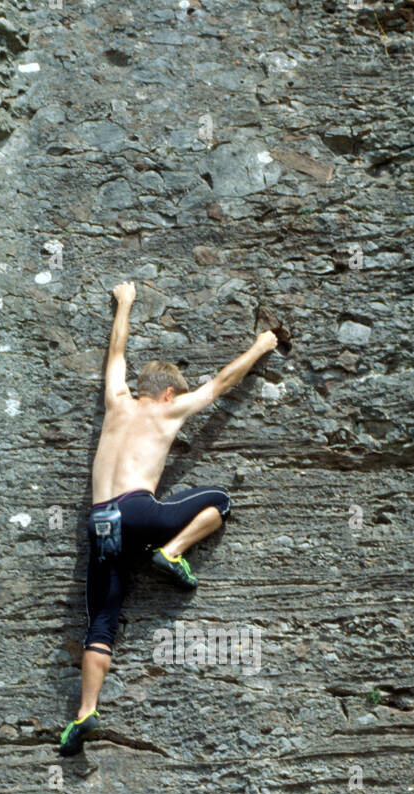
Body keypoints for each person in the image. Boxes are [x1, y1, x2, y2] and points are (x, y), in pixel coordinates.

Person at [60, 280, 278, 754]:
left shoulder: (117, 402)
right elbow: (221, 384)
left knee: (101, 622)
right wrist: (261, 344)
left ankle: (84, 712)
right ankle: (173, 552)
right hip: (140, 512)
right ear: (166, 394)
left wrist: (125, 303)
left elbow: (115, 356)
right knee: (219, 500)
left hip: (100, 524)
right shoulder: (167, 409)